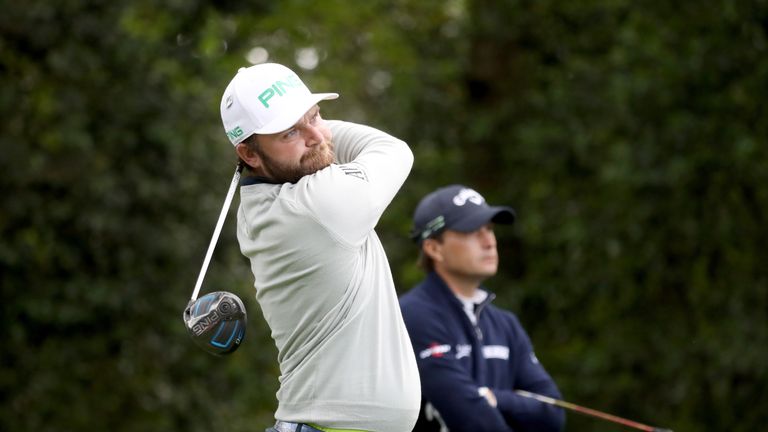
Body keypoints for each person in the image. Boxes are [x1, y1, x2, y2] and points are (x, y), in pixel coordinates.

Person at [219, 63, 420, 432]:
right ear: (249, 155)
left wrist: (303, 128)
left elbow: (314, 144)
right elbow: (393, 149)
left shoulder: (264, 202)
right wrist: (320, 132)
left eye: (317, 115)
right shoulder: (319, 205)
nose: (315, 135)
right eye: (289, 132)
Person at [399, 184, 566, 432]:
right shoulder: (413, 315)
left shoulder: (505, 324)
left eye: (489, 229)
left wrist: (496, 397)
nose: (489, 241)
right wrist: (509, 402)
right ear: (434, 248)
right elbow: (472, 420)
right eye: (472, 231)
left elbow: (552, 415)